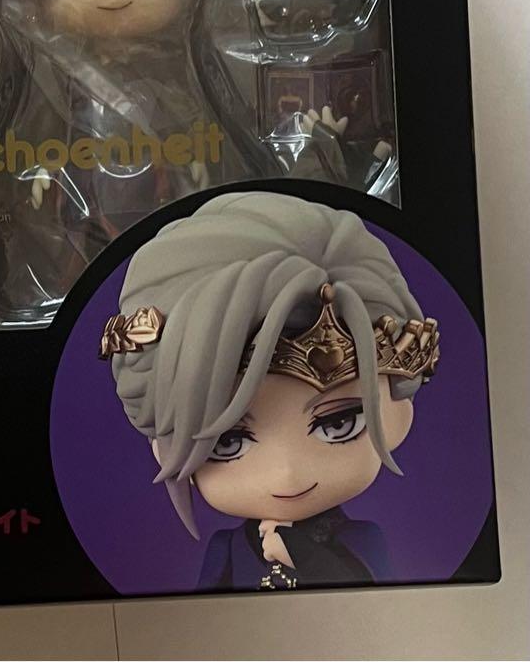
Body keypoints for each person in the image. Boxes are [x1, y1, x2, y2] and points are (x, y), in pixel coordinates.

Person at [102, 191, 439, 589]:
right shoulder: (227, 549)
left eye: (339, 423)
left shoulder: (363, 541)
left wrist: (303, 556)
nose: (287, 473)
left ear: (398, 416)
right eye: (226, 442)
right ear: (163, 448)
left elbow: (376, 604)